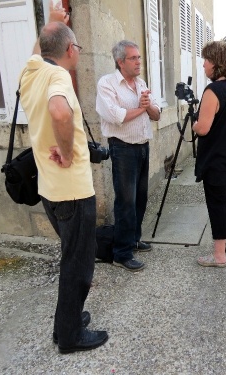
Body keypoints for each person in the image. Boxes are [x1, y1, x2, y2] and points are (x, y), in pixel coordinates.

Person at [19, 6, 108, 354]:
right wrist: (69, 154)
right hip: (72, 191)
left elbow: (39, 50)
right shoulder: (57, 78)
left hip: (50, 190)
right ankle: (69, 337)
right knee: (78, 264)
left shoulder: (31, 71)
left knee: (70, 255)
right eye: (78, 49)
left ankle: (66, 322)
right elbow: (59, 111)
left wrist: (53, 22)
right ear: (70, 50)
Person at [96, 40, 161, 272]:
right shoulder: (107, 84)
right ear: (120, 61)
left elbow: (156, 114)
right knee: (125, 201)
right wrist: (143, 107)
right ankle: (121, 253)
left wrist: (148, 106)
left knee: (140, 197)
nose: (138, 62)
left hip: (143, 146)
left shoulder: (141, 83)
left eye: (139, 58)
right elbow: (116, 116)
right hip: (122, 148)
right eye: (133, 58)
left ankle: (133, 239)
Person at [193, 41, 226, 268]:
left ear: (215, 63)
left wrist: (194, 125)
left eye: (206, 60)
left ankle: (219, 255)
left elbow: (203, 128)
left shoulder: (212, 91)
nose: (203, 64)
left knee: (217, 203)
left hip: (216, 159)